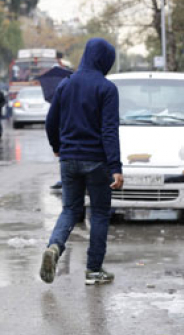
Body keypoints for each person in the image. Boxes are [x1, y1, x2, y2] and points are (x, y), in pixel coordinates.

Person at [40, 38, 124, 286]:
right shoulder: (107, 88)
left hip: (69, 159)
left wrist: (57, 147)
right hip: (97, 161)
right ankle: (94, 270)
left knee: (70, 209)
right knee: (99, 213)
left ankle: (55, 246)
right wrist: (116, 167)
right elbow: (109, 131)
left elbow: (50, 122)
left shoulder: (65, 84)